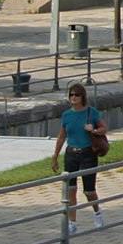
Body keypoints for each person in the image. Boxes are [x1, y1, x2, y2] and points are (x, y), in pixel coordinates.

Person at [51, 84, 107, 234]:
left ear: (82, 97)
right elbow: (62, 136)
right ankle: (72, 222)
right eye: (71, 95)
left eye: (76, 95)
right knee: (71, 190)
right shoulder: (66, 115)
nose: (73, 98)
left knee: (89, 191)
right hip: (71, 154)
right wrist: (55, 156)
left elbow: (103, 129)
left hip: (88, 153)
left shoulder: (91, 113)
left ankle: (97, 213)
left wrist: (93, 130)